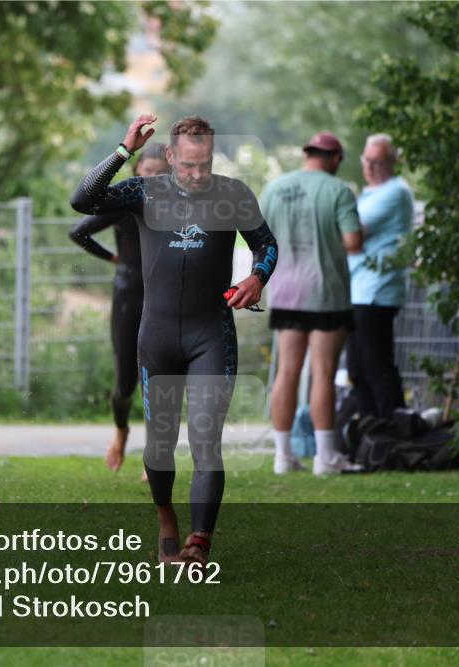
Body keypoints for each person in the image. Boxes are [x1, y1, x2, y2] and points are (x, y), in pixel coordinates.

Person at [71, 114, 277, 566]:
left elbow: (266, 244)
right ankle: (166, 516)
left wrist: (257, 277)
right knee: (160, 446)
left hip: (211, 334)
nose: (197, 174)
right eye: (187, 165)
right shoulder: (146, 192)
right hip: (158, 336)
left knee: (206, 441)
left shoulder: (232, 194)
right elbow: (81, 201)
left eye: (204, 164)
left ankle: (199, 543)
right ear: (169, 157)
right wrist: (123, 149)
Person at [261, 132, 364, 476]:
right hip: (326, 293)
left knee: (287, 372)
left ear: (307, 154)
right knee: (323, 373)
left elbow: (259, 237)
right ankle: (325, 457)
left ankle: (282, 456)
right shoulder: (338, 191)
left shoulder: (274, 189)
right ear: (335, 158)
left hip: (285, 292)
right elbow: (352, 241)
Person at [68, 143, 170, 473]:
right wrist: (114, 258)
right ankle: (121, 431)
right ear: (137, 172)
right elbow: (79, 232)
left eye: (160, 173)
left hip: (162, 299)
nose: (153, 178)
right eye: (148, 171)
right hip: (128, 296)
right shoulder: (125, 205)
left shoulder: (176, 206)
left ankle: (156, 452)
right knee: (125, 382)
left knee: (159, 379)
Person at [347, 133, 412, 419]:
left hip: (376, 291)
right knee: (357, 368)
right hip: (359, 289)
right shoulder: (371, 194)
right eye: (366, 160)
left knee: (375, 364)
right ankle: (371, 434)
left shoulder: (394, 192)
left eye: (377, 162)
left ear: (393, 163)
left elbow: (352, 236)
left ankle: (393, 430)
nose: (369, 167)